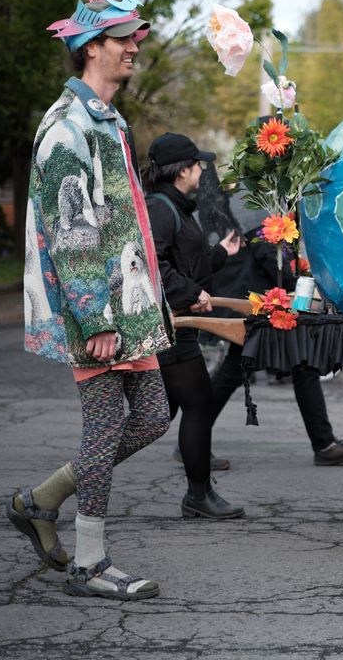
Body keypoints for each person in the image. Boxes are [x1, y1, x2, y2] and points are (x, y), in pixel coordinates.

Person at [9, 0, 171, 600]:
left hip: (127, 307)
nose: (133, 47)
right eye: (124, 38)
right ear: (92, 47)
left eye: (134, 37)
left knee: (153, 416)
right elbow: (73, 232)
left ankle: (39, 501)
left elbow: (119, 218)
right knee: (103, 433)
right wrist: (93, 315)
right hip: (96, 314)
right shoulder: (66, 130)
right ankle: (90, 563)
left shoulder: (108, 122)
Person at [202, 196, 343, 467]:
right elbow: (268, 252)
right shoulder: (258, 199)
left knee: (302, 365)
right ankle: (193, 440)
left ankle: (324, 443)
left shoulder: (269, 196)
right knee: (237, 369)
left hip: (270, 298)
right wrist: (298, 284)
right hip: (259, 301)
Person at [143, 132, 247, 518]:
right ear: (182, 169)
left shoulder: (177, 207)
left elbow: (186, 261)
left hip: (179, 323)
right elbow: (153, 266)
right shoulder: (160, 208)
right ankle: (198, 496)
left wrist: (220, 254)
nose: (203, 170)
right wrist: (190, 292)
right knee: (199, 404)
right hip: (170, 325)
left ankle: (87, 470)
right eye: (198, 164)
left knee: (155, 418)